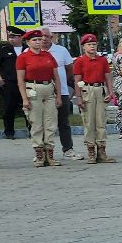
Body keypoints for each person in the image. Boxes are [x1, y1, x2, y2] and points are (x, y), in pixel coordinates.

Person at [16, 29, 63, 166]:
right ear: (28, 42)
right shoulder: (23, 58)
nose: (38, 42)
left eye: (39, 39)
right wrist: (24, 98)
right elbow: (20, 80)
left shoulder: (47, 56)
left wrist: (58, 96)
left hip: (49, 89)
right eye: (34, 40)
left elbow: (56, 77)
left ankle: (50, 154)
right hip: (33, 89)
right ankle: (39, 154)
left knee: (50, 123)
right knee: (36, 123)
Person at [71, 34, 115, 163]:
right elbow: (77, 80)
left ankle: (102, 152)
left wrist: (110, 92)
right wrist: (78, 97)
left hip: (100, 89)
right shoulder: (80, 61)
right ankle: (91, 151)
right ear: (84, 47)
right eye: (89, 44)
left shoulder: (102, 60)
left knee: (101, 121)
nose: (92, 47)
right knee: (89, 122)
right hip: (87, 90)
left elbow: (108, 77)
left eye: (94, 44)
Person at [46, 32, 79, 160]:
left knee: (63, 122)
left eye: (46, 36)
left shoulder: (61, 50)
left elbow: (70, 70)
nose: (42, 39)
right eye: (38, 37)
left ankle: (68, 149)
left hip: (62, 91)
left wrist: (67, 86)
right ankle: (45, 152)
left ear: (51, 37)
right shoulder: (29, 52)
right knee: (43, 123)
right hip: (42, 92)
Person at [0, 39, 24, 139]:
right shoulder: (5, 50)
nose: (11, 38)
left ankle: (32, 130)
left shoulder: (27, 49)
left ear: (20, 37)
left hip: (26, 82)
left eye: (14, 36)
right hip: (9, 83)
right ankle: (9, 132)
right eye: (10, 36)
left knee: (28, 106)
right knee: (9, 108)